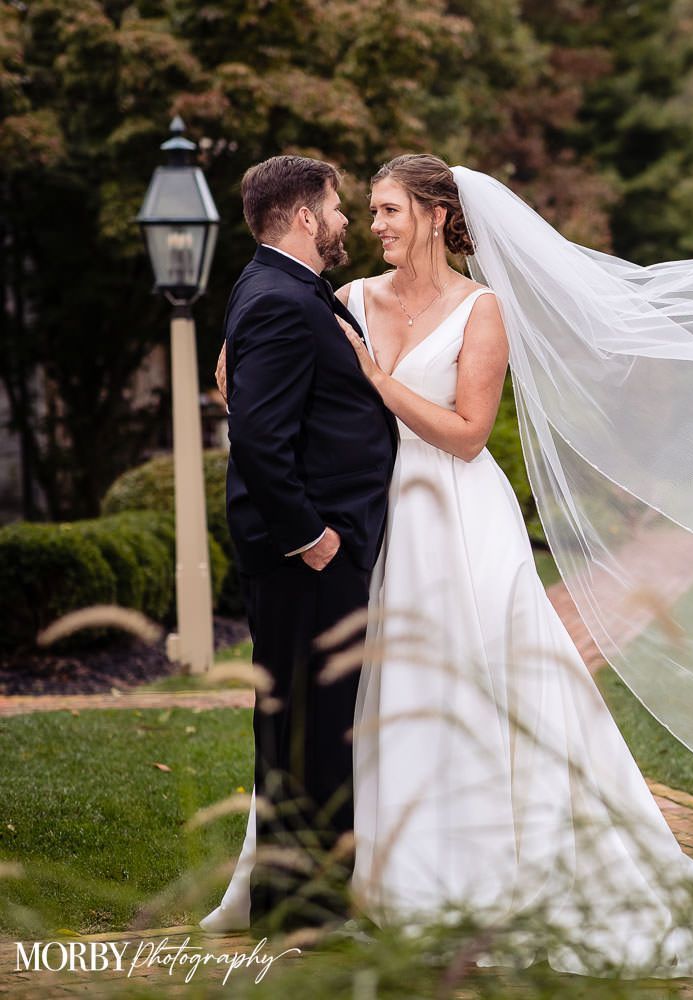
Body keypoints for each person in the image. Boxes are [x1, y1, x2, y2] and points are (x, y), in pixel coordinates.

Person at [204, 155, 693, 977]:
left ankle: (466, 873)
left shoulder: (480, 310)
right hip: (374, 522)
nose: (373, 223)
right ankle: (359, 874)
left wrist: (381, 381)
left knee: (470, 680)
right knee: (370, 695)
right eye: (368, 210)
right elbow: (284, 362)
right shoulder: (345, 299)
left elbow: (464, 431)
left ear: (431, 214)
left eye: (388, 210)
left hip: (455, 517)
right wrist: (234, 371)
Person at [214, 155, 397, 931]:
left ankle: (303, 902)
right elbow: (258, 436)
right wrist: (309, 536)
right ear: (302, 217)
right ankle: (305, 912)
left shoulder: (282, 289)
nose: (347, 220)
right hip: (306, 556)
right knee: (307, 730)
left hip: (317, 548)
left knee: (310, 725)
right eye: (336, 207)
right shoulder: (281, 299)